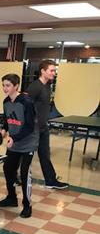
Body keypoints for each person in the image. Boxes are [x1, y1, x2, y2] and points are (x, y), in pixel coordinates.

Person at [0, 74, 39, 218]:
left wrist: (14, 137)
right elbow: (7, 120)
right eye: (3, 85)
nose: (4, 88)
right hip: (13, 143)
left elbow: (30, 127)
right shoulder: (6, 102)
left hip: (27, 143)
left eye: (8, 85)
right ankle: (12, 198)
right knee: (8, 168)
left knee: (25, 173)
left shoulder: (26, 102)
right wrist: (3, 132)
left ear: (16, 86)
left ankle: (27, 205)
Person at [26, 60, 68, 189]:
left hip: (43, 127)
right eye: (51, 70)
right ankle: (15, 177)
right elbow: (24, 105)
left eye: (54, 70)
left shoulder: (47, 85)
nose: (54, 73)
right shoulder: (35, 86)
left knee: (45, 154)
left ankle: (50, 180)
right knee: (26, 155)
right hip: (33, 128)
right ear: (43, 71)